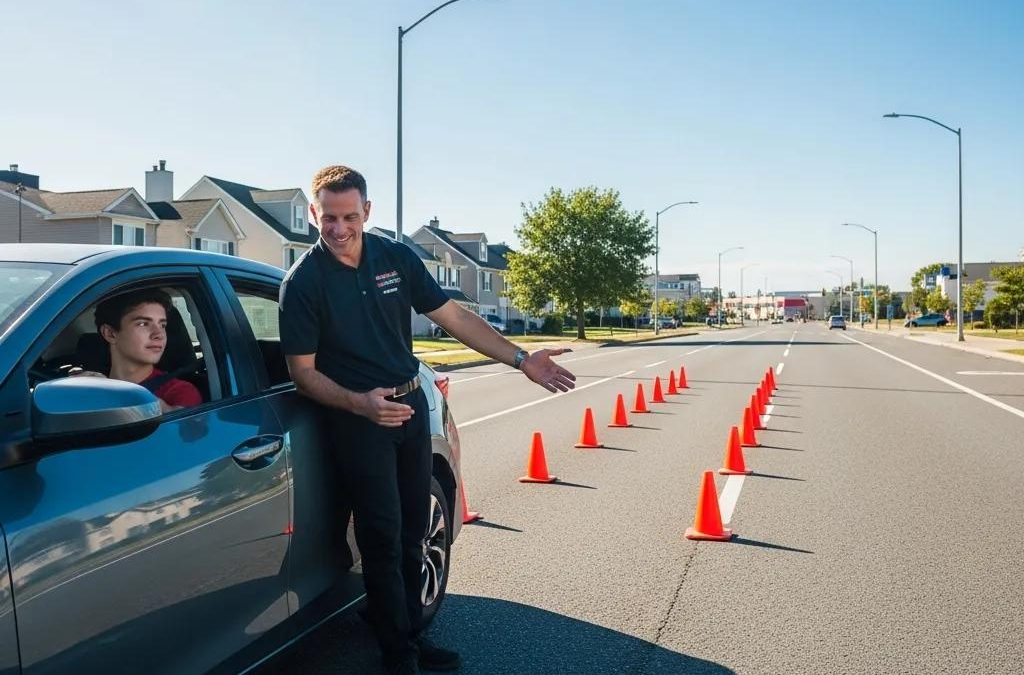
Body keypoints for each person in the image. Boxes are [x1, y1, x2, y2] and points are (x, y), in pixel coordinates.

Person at [280, 165, 575, 675]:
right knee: (382, 535)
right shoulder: (303, 283)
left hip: (413, 406)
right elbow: (303, 374)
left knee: (416, 528)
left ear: (367, 212)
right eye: (328, 217)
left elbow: (455, 317)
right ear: (313, 214)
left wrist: (521, 359)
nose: (339, 228)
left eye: (350, 216)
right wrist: (358, 403)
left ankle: (410, 630)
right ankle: (398, 655)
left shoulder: (394, 257)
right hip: (359, 420)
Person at [72, 289, 202, 413]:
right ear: (110, 334)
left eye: (162, 325)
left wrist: (163, 409)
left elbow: (183, 430)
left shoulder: (180, 391)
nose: (159, 334)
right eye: (143, 324)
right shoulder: (90, 388)